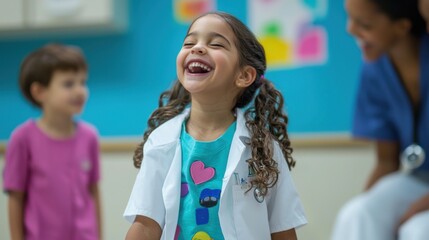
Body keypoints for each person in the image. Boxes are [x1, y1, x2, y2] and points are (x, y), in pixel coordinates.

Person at [123, 11, 307, 240]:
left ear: (244, 75)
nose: (197, 48)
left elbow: (282, 228)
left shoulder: (264, 148)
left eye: (216, 44)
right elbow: (146, 225)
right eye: (190, 42)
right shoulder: (161, 142)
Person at [331, 0, 429, 240]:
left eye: (364, 24)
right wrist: (367, 205)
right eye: (350, 18)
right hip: (420, 177)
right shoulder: (374, 69)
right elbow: (387, 162)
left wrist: (419, 207)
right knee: (355, 214)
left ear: (402, 27)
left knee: (417, 229)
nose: (350, 30)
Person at [2, 44, 102, 240]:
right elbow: (16, 199)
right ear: (39, 91)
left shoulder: (89, 136)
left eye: (83, 82)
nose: (80, 91)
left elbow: (93, 192)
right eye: (68, 84)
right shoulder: (22, 139)